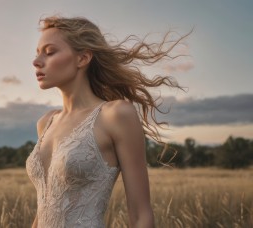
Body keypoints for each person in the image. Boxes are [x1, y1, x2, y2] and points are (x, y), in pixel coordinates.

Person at [26, 15, 188, 228]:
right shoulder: (46, 122)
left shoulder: (115, 115)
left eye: (49, 52)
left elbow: (141, 215)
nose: (36, 61)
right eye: (37, 53)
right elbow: (45, 208)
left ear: (82, 59)